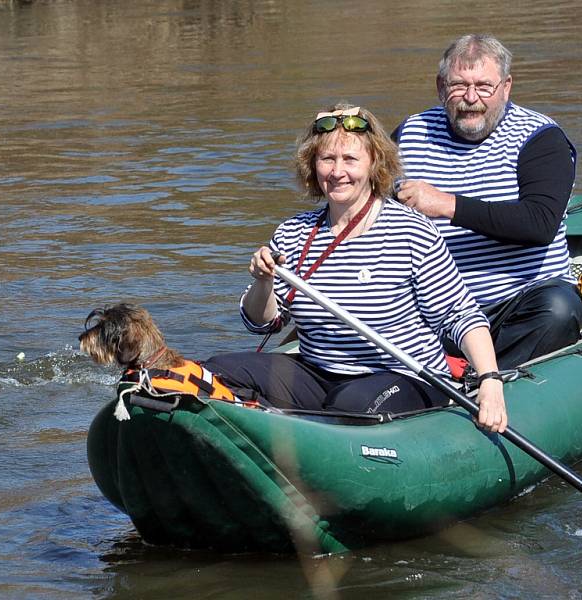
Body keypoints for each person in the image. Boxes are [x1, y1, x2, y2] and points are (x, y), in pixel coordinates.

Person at [206, 104, 507, 432]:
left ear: (374, 163)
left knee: (349, 406)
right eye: (327, 160)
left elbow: (459, 316)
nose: (337, 172)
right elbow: (262, 324)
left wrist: (491, 381)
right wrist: (263, 282)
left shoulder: (411, 231)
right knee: (215, 370)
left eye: (350, 159)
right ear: (312, 165)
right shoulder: (292, 233)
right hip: (319, 372)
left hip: (403, 376)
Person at [393, 34, 582, 370]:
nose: (471, 98)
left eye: (484, 86)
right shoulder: (409, 134)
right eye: (458, 85)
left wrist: (447, 205)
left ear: (506, 87)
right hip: (436, 308)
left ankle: (481, 381)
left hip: (518, 305)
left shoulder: (541, 138)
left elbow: (539, 224)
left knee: (559, 310)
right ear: (441, 87)